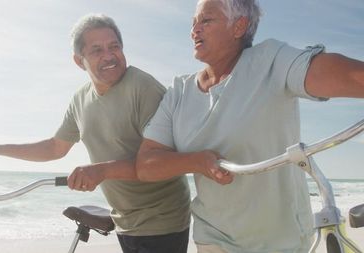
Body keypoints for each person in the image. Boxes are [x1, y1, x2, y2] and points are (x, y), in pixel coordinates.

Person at [135, 0, 364, 252]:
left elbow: (328, 72)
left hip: (281, 240)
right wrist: (197, 162)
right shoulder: (179, 91)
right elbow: (146, 165)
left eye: (206, 20)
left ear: (239, 26)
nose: (194, 30)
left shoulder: (272, 60)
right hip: (213, 235)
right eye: (193, 23)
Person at [0, 14, 191, 253]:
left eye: (114, 46)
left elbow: (163, 161)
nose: (108, 55)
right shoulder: (80, 99)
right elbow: (55, 147)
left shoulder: (143, 88)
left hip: (162, 219)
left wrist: (100, 170)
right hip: (125, 221)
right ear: (79, 60)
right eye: (96, 50)